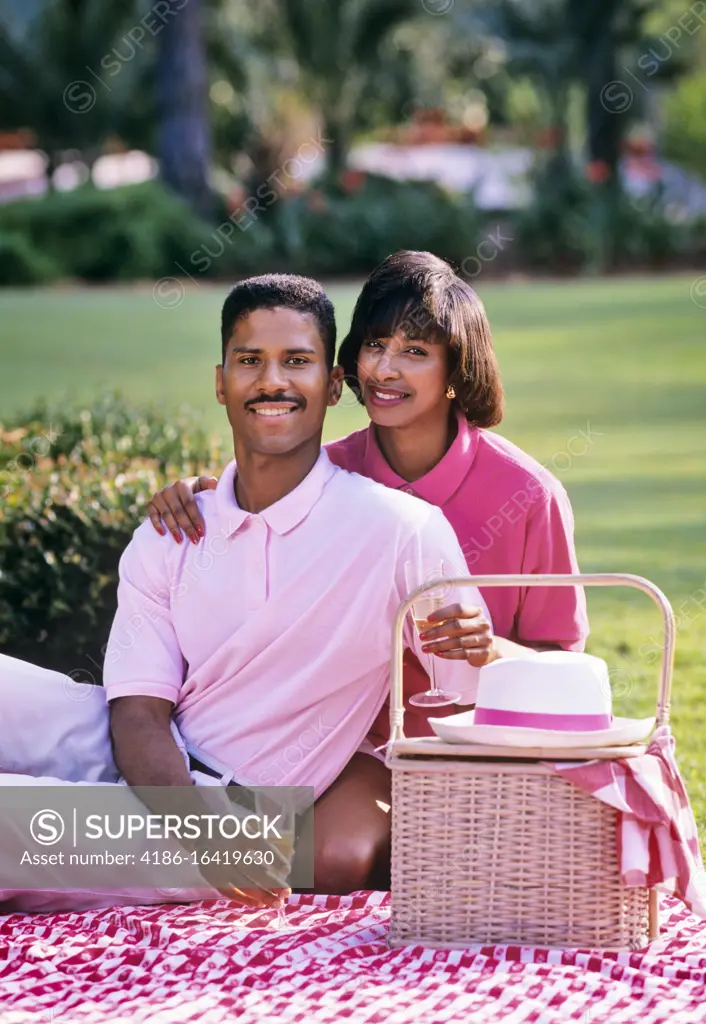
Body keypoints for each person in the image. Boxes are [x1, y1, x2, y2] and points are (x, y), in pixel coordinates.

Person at [0, 273, 495, 914]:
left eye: (297, 361)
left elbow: (470, 697)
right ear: (220, 381)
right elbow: (138, 711)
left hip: (240, 824)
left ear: (333, 385)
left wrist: (211, 837)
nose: (272, 381)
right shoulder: (173, 529)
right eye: (250, 361)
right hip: (148, 764)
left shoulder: (404, 532)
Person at [148, 251, 589, 751]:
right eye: (375, 345)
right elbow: (249, 508)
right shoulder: (325, 473)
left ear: (455, 370)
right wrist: (195, 495)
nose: (384, 369)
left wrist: (494, 650)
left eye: (415, 352)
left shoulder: (528, 496)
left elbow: (569, 669)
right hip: (334, 754)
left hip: (474, 756)